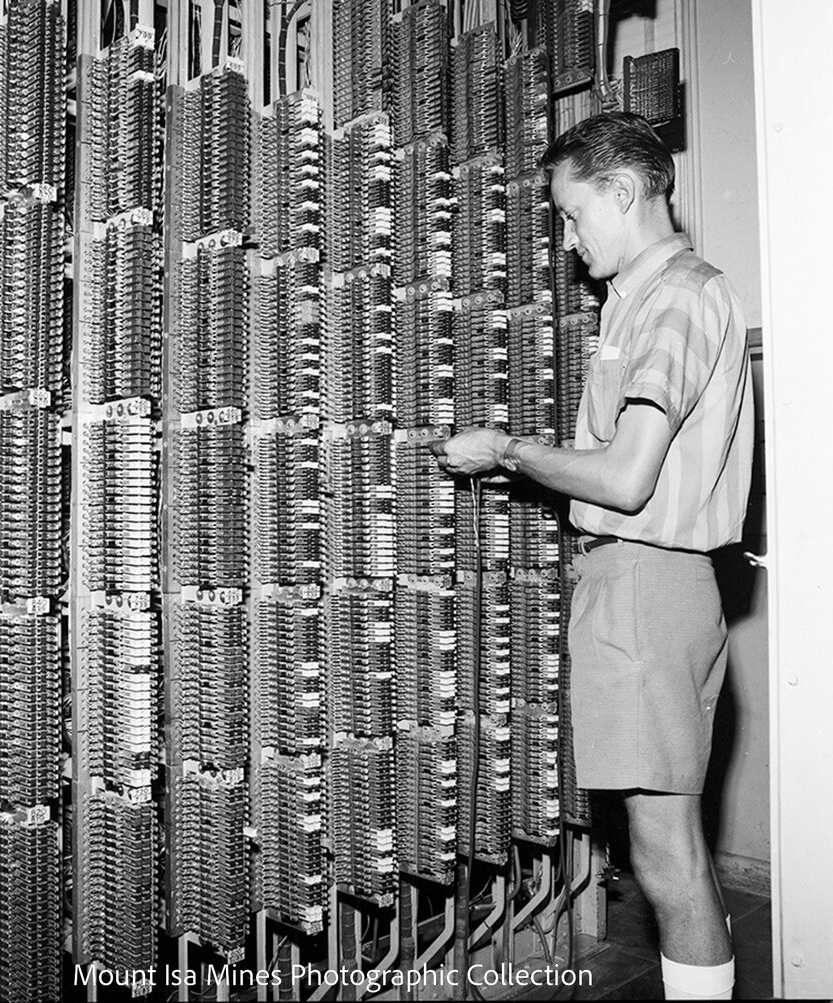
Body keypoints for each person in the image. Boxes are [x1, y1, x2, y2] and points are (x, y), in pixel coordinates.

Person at [430, 112, 753, 1001]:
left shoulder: (679, 293)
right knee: (665, 845)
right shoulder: (641, 301)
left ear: (622, 191)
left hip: (647, 584)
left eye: (573, 216)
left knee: (666, 851)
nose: (569, 243)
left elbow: (626, 474)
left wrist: (507, 450)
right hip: (638, 585)